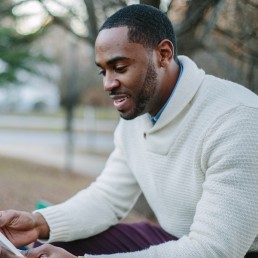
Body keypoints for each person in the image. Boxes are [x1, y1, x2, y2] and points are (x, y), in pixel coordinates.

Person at [1, 4, 258, 258]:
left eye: (120, 68)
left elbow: (214, 250)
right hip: (174, 238)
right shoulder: (137, 115)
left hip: (233, 251)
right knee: (57, 247)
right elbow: (107, 198)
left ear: (164, 54)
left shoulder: (237, 120)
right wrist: (38, 223)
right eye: (103, 71)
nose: (107, 84)